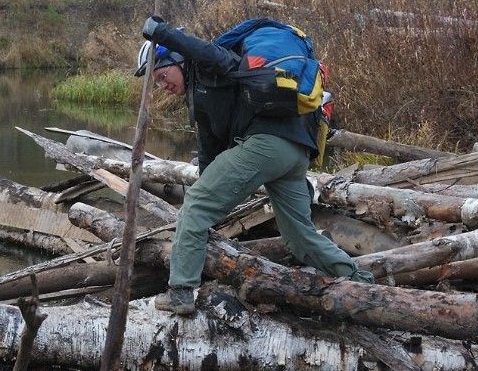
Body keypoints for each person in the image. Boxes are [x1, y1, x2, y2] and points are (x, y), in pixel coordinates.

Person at [136, 16, 374, 315]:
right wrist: (209, 188)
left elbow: (203, 50)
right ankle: (361, 280)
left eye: (161, 75)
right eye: (155, 82)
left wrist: (162, 33)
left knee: (195, 206)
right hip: (295, 152)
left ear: (180, 59)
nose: (161, 85)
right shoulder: (201, 95)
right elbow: (210, 149)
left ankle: (181, 292)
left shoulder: (209, 65)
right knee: (299, 237)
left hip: (267, 145)